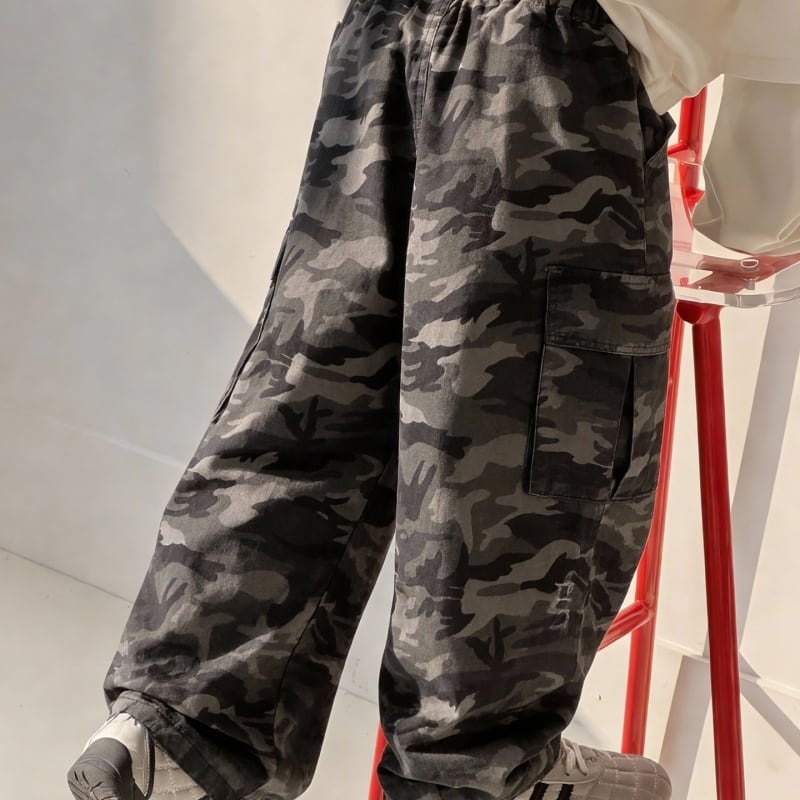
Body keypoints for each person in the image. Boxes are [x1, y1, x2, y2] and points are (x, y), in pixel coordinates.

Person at [66, 1, 800, 799]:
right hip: (558, 73)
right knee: (523, 440)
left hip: (382, 31)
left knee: (317, 388)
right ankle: (476, 770)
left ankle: (180, 730)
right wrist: (756, 221)